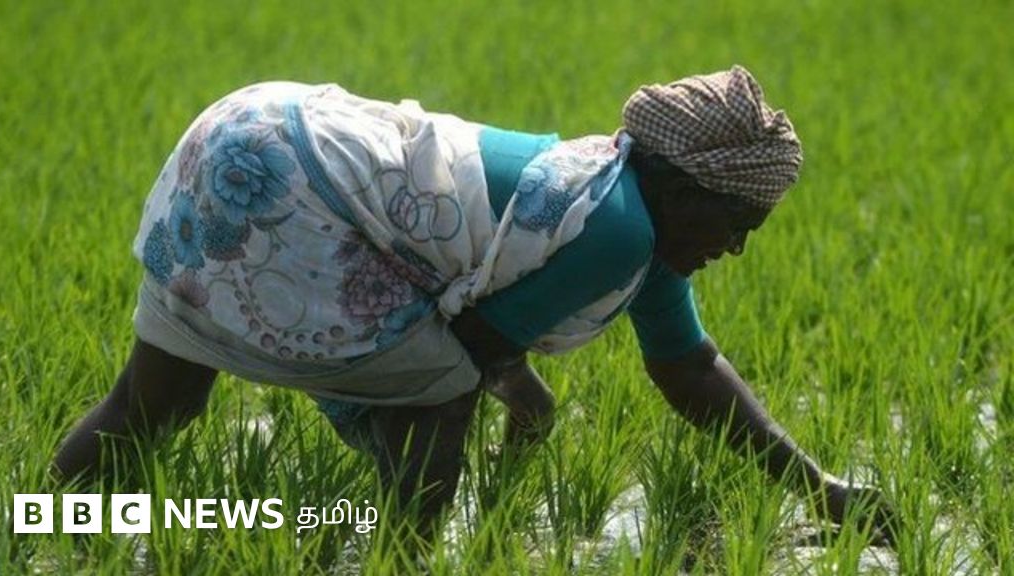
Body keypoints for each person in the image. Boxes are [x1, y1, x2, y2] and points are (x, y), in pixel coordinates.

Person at [52, 66, 895, 542]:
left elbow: (691, 368)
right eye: (737, 221)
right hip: (302, 187)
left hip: (249, 130)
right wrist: (517, 387)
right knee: (438, 392)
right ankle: (401, 553)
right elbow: (473, 347)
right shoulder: (622, 228)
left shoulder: (620, 204)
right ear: (689, 184)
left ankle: (34, 530)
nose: (738, 245)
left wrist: (821, 489)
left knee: (151, 405)